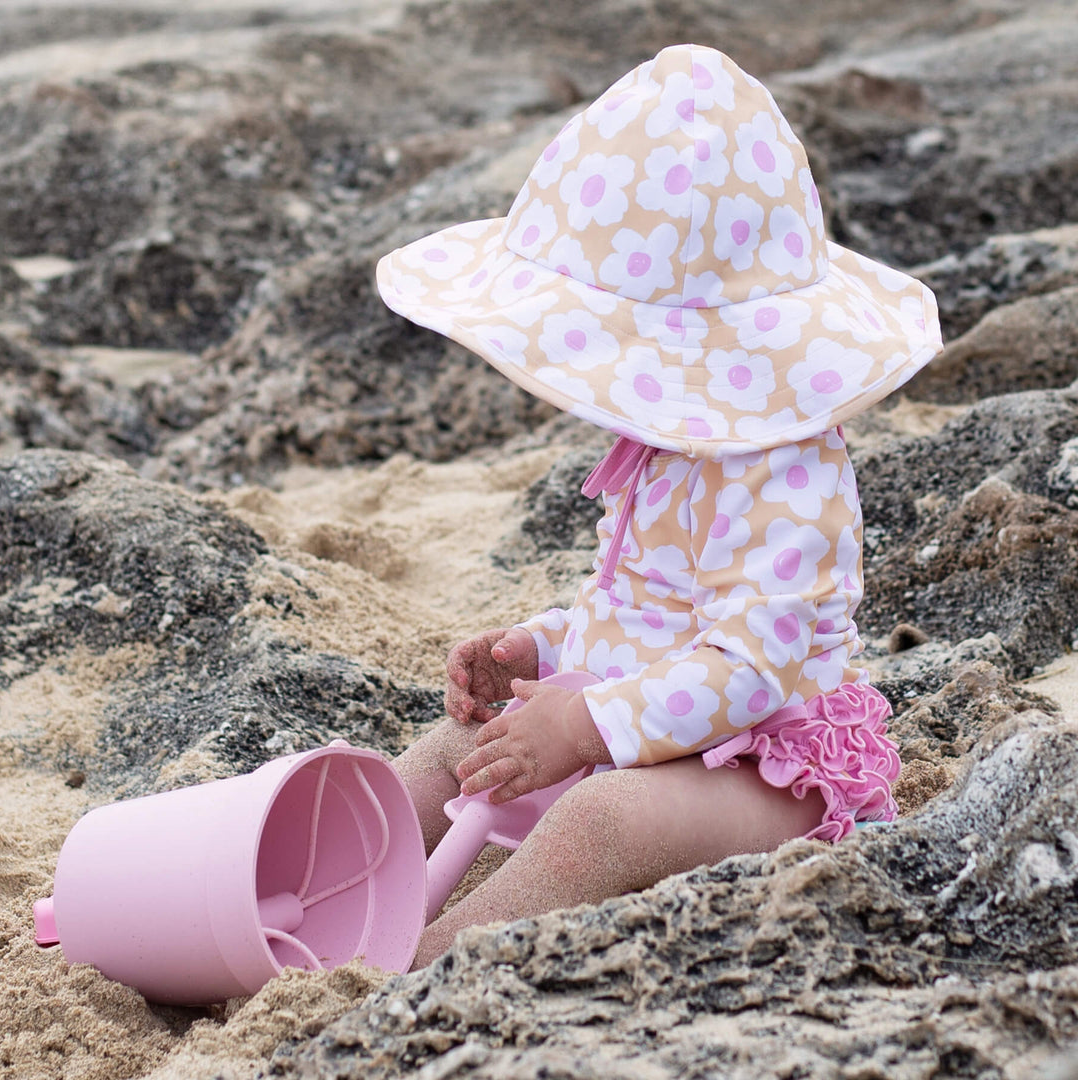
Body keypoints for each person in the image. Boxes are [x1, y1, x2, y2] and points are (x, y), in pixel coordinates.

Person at [376, 43, 943, 969]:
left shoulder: (789, 474)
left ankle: (429, 959)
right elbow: (640, 609)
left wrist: (584, 726)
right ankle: (320, 884)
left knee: (600, 819)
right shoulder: (667, 443)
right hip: (645, 723)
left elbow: (753, 664)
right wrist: (546, 646)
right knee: (449, 753)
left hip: (769, 761)